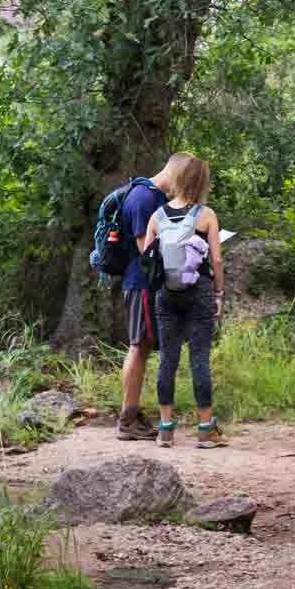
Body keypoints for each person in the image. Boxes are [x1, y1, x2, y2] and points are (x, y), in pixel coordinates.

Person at [139, 152, 226, 448]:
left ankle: (165, 430)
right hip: (199, 291)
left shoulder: (157, 216)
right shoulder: (206, 215)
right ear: (202, 182)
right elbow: (216, 259)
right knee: (199, 358)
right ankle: (204, 430)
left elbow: (147, 258)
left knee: (168, 360)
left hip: (166, 294)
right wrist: (218, 294)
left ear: (176, 178)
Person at [114, 154, 178, 440]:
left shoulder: (150, 196)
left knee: (140, 346)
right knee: (139, 347)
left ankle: (131, 415)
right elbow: (147, 250)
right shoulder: (143, 198)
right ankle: (127, 419)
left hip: (143, 283)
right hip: (141, 283)